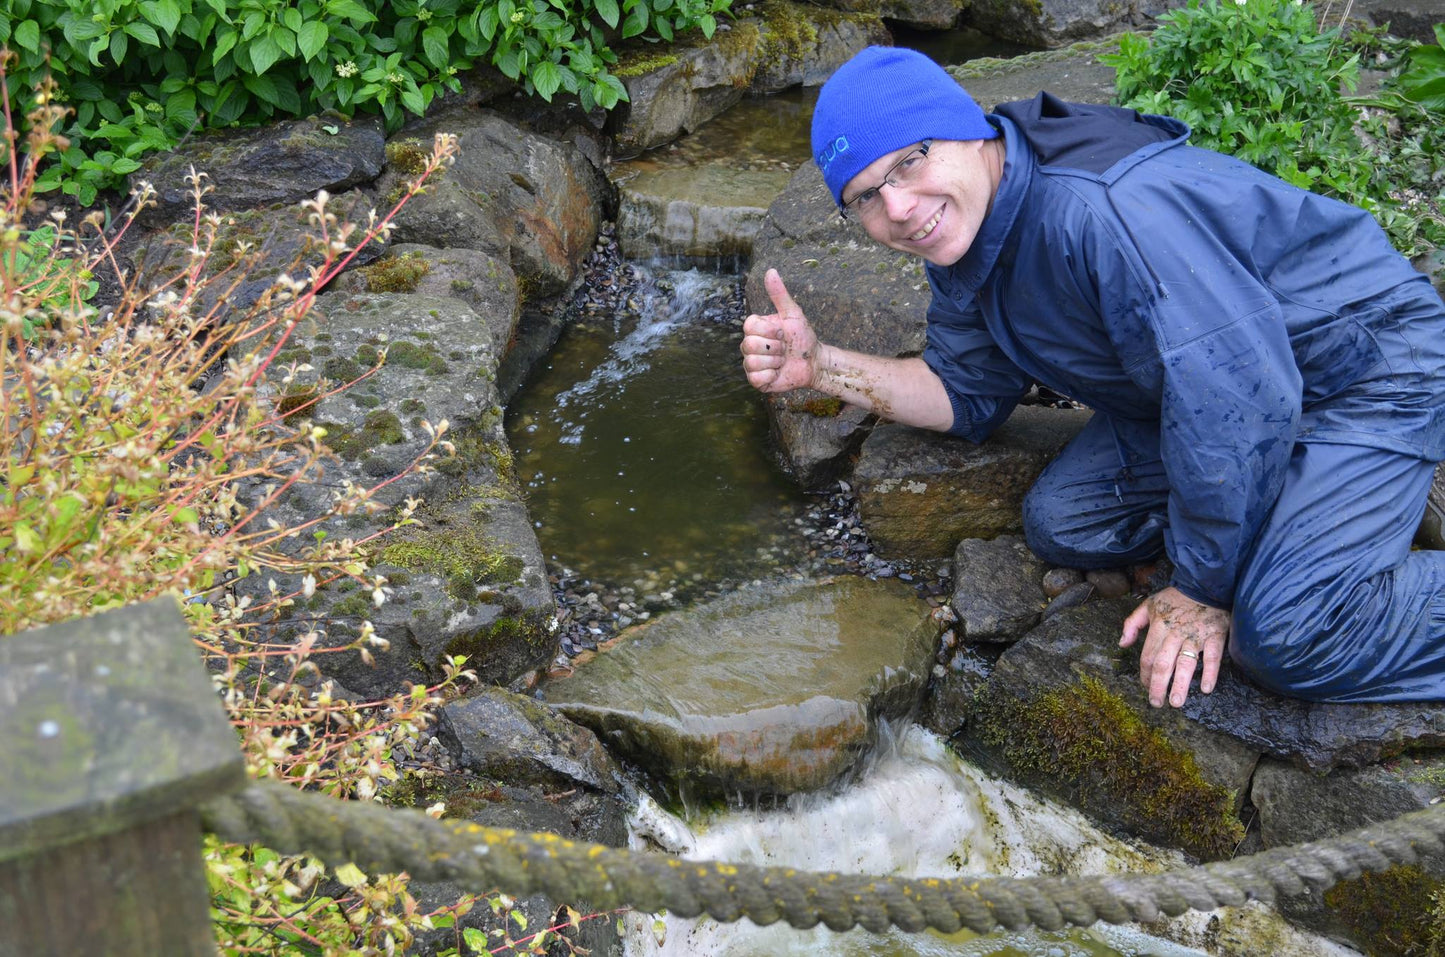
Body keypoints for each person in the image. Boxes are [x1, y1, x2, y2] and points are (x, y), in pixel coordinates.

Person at [740, 45, 1445, 707]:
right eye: (864, 195)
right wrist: (821, 365)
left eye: (909, 161)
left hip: (1363, 373)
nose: (896, 206)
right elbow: (964, 394)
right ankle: (1309, 504)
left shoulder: (1102, 214)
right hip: (1231, 388)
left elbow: (1238, 400)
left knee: (1287, 633)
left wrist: (1203, 588)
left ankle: (1338, 517)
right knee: (1066, 520)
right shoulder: (965, 237)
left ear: (964, 128)